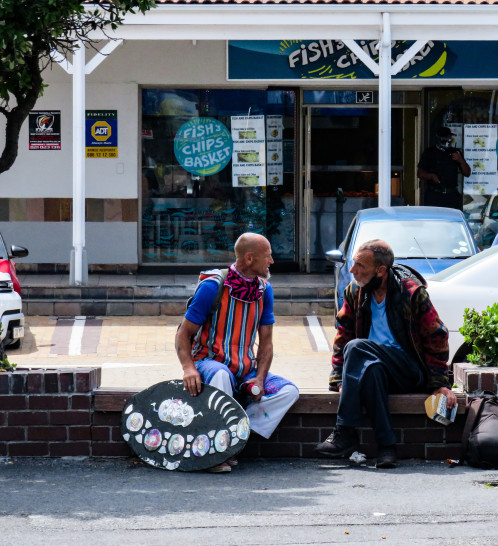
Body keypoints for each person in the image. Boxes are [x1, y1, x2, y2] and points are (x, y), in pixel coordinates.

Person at [315, 239, 457, 469]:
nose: (352, 270)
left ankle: (345, 432)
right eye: (353, 263)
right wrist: (340, 379)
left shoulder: (410, 293)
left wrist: (439, 383)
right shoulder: (355, 292)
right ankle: (387, 447)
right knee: (371, 370)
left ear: (380, 270)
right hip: (376, 367)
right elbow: (343, 334)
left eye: (360, 265)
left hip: (409, 370)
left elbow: (437, 335)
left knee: (357, 347)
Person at [175, 232, 300, 473]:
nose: (272, 261)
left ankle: (234, 434)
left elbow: (266, 344)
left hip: (245, 369)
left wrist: (260, 379)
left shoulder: (265, 290)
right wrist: (188, 368)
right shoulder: (213, 286)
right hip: (209, 363)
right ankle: (217, 450)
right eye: (268, 256)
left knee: (288, 392)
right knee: (221, 375)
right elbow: (183, 333)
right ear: (250, 259)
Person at [417, 126, 471, 210]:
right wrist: (432, 176)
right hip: (434, 195)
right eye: (446, 137)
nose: (448, 139)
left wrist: (460, 160)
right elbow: (420, 173)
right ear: (439, 138)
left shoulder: (455, 152)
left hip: (451, 195)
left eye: (449, 137)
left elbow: (467, 173)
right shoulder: (429, 152)